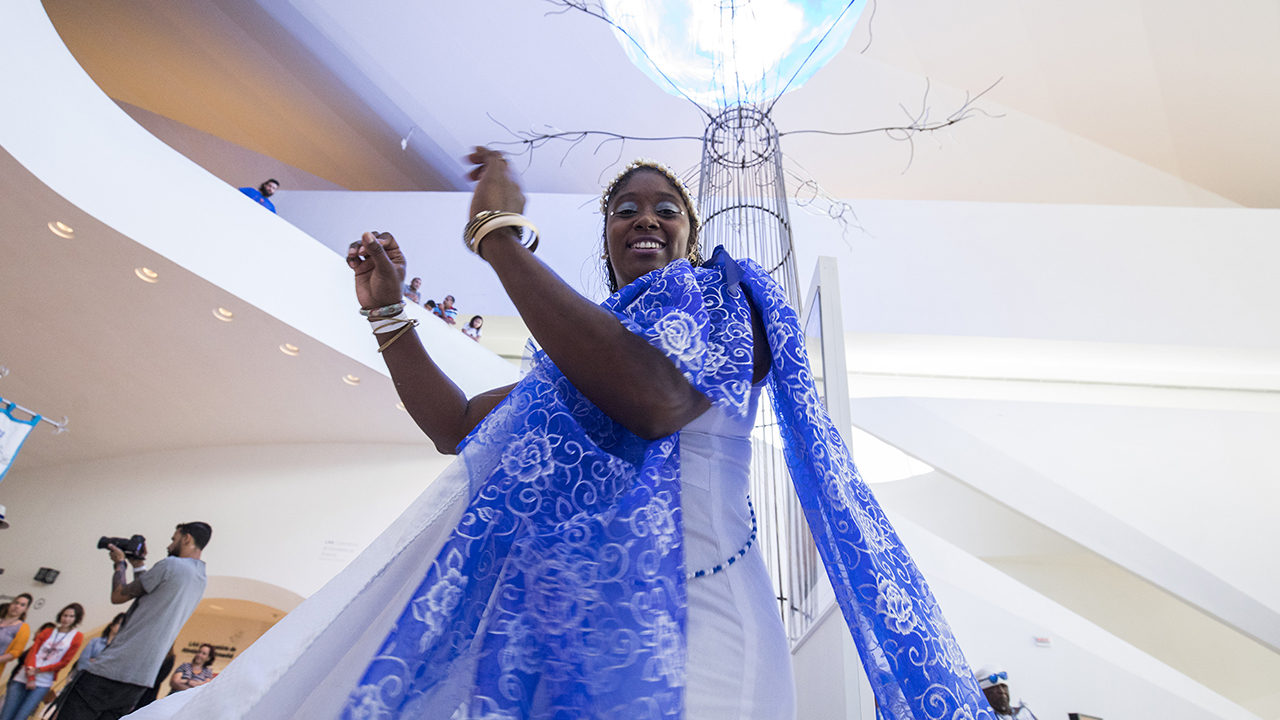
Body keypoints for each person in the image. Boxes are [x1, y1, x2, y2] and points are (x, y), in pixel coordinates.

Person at [321, 148, 991, 719]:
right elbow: (459, 425)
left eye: (666, 208)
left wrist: (498, 238)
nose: (646, 217)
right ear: (608, 239)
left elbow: (657, 400)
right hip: (585, 634)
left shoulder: (730, 300)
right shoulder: (577, 364)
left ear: (689, 238)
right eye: (626, 209)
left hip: (707, 621)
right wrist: (388, 316)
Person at [57, 522, 210, 720]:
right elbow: (151, 593)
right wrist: (139, 566)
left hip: (112, 668)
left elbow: (118, 595)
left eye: (174, 539)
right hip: (140, 680)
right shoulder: (200, 578)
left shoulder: (170, 564)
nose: (170, 545)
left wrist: (120, 563)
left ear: (186, 538)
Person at [0, 604, 83, 720]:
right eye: (65, 615)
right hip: (24, 675)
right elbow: (32, 652)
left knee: (21, 716)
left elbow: (64, 662)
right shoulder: (48, 632)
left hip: (43, 681)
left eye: (71, 616)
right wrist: (31, 675)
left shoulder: (77, 636)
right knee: (5, 714)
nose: (67, 619)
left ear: (76, 619)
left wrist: (38, 670)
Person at [0, 595, 31, 679]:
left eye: (22, 605)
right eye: (16, 603)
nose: (17, 606)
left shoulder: (23, 628)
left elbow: (15, 652)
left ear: (26, 609)